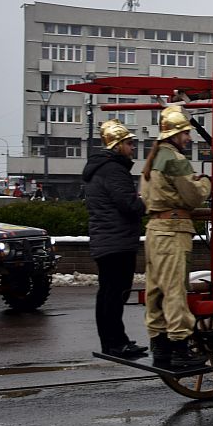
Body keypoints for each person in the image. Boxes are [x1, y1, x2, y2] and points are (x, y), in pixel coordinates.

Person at [142, 106, 211, 370]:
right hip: (173, 230)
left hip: (155, 231)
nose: (188, 138)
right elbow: (193, 196)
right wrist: (204, 182)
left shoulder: (155, 156)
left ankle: (160, 347)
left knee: (156, 290)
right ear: (175, 134)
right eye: (185, 134)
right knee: (174, 289)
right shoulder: (175, 159)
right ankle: (181, 350)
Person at [83, 120, 147, 359]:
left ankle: (114, 342)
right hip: (116, 242)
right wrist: (146, 201)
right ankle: (115, 344)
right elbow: (128, 205)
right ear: (117, 145)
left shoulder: (101, 168)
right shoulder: (113, 170)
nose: (132, 148)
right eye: (129, 144)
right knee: (114, 294)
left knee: (109, 293)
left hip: (107, 240)